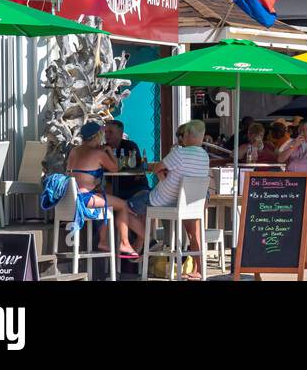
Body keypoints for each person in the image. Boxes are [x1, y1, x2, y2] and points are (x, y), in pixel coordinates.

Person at [126, 120, 210, 278]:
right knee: (194, 234)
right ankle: (199, 270)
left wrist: (159, 172)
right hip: (190, 203)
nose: (182, 138)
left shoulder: (179, 152)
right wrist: (161, 171)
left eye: (183, 135)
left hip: (165, 201)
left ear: (188, 135)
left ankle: (142, 239)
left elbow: (158, 166)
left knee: (125, 206)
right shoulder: (204, 156)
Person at [67, 121, 145, 258]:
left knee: (107, 201)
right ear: (97, 136)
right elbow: (115, 168)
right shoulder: (98, 153)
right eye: (103, 133)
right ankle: (125, 243)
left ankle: (103, 242)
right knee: (122, 204)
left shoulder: (74, 150)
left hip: (70, 198)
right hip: (85, 198)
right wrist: (109, 151)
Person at [103, 119, 148, 202]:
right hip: (113, 187)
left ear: (120, 134)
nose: (107, 135)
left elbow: (138, 167)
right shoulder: (103, 149)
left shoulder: (130, 146)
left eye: (110, 132)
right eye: (105, 132)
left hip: (133, 187)